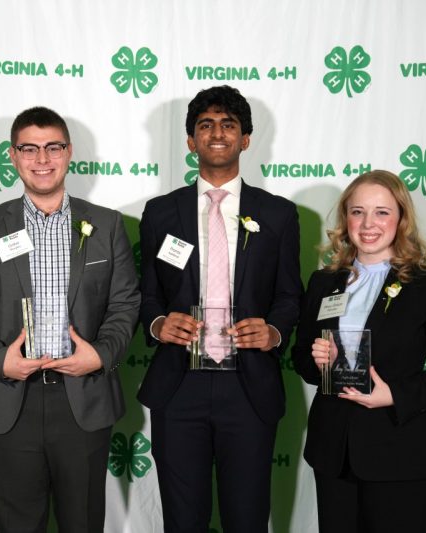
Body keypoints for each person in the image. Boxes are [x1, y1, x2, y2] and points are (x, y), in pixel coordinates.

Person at [0, 106, 139, 532]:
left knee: (83, 524)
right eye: (29, 149)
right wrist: (0, 360)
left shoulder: (106, 225)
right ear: (13, 156)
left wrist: (100, 355)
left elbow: (125, 305)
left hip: (83, 398)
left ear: (69, 152)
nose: (42, 159)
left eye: (53, 147)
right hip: (9, 399)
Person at [138, 85, 303, 531]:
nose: (217, 133)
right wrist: (157, 324)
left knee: (247, 519)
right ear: (190, 140)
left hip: (249, 387)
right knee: (182, 521)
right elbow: (147, 294)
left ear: (246, 139)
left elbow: (291, 297)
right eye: (205, 125)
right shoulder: (159, 213)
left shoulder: (280, 215)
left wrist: (274, 332)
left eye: (228, 125)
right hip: (178, 385)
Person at [291, 170, 426, 533]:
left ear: (401, 219)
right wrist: (317, 362)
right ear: (346, 218)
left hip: (399, 450)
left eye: (382, 212)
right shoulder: (324, 282)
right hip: (333, 452)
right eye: (357, 211)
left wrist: (395, 395)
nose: (368, 223)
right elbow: (302, 359)